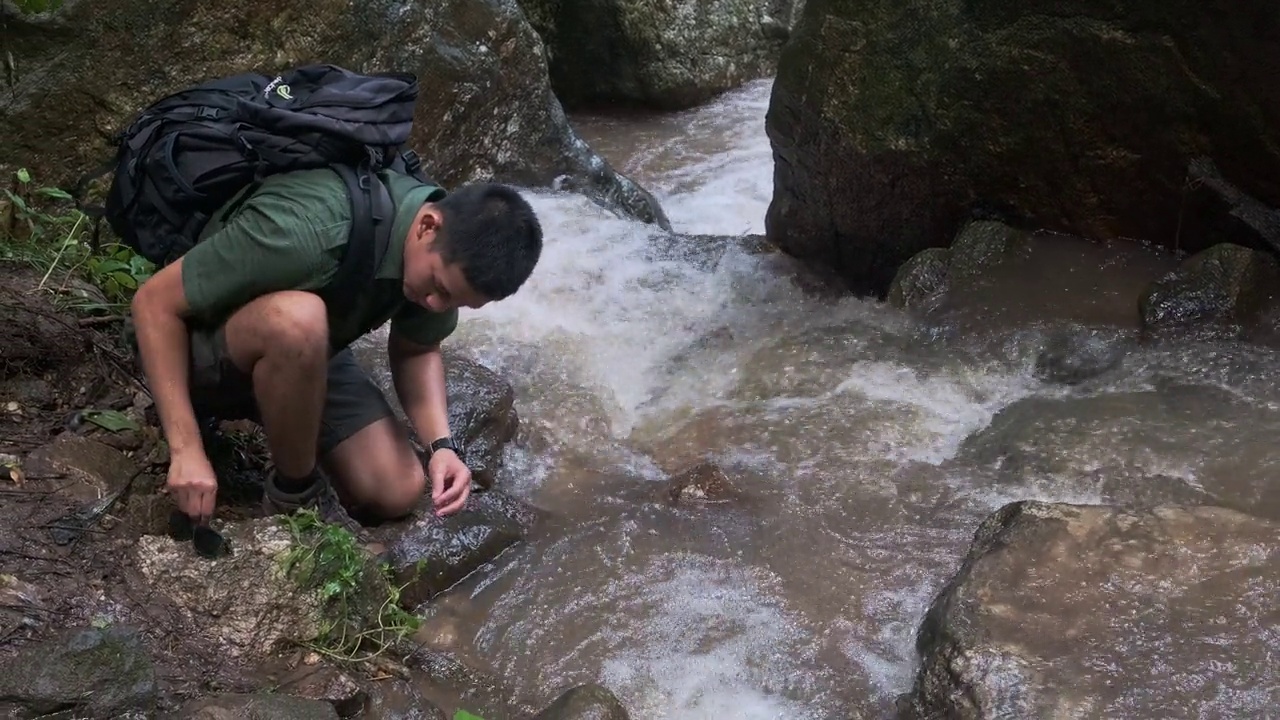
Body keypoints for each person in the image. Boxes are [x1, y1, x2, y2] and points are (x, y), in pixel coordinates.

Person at [128, 166, 543, 535]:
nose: (436, 305)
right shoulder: (307, 228)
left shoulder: (433, 253)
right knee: (299, 320)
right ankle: (295, 493)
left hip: (305, 352)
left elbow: (417, 349)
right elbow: (153, 305)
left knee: (397, 488)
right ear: (427, 227)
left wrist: (442, 446)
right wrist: (186, 450)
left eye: (455, 304)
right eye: (438, 288)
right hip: (200, 346)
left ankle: (290, 418)